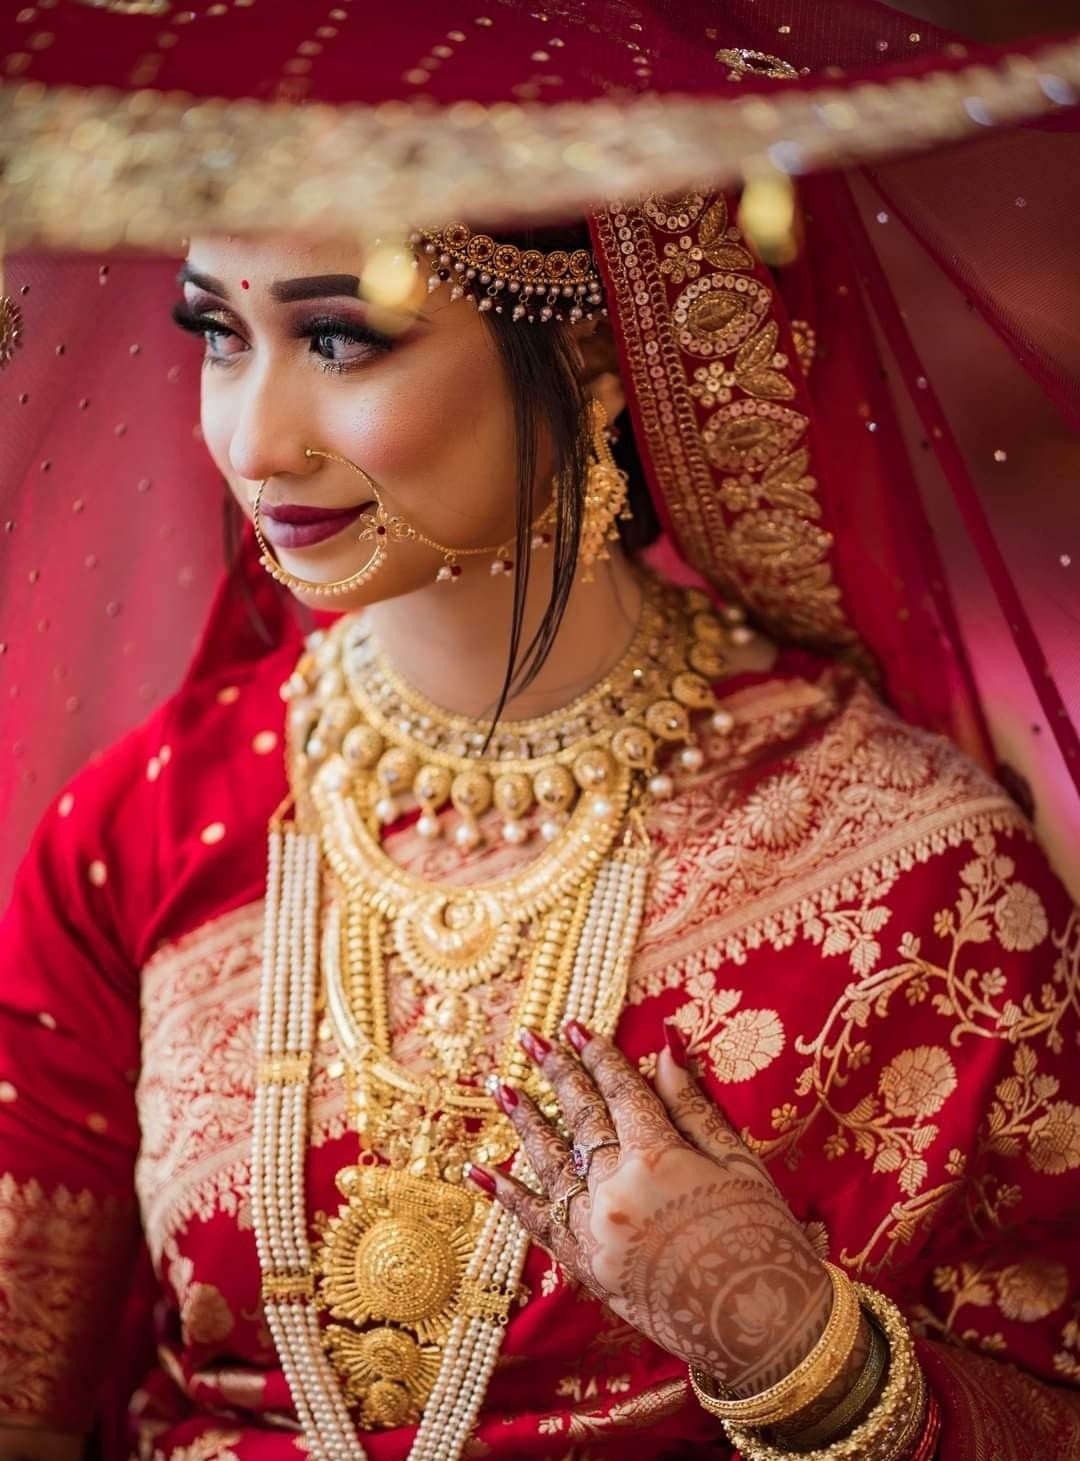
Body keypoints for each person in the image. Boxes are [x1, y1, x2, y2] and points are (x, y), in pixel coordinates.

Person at [1, 198, 1078, 1461]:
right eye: (217, 333)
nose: (252, 439)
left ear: (592, 355)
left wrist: (794, 1347)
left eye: (341, 340)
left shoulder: (913, 858)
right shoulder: (148, 822)